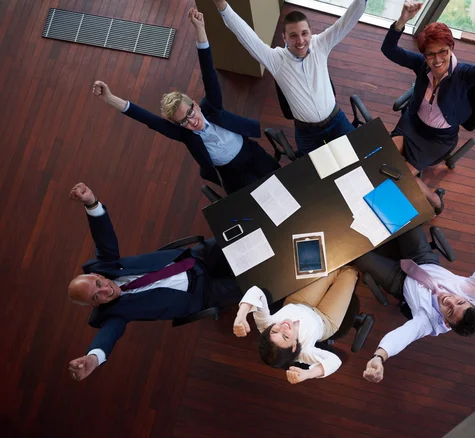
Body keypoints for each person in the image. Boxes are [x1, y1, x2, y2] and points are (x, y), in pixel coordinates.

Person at [66, 182, 242, 382]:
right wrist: (93, 358)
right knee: (253, 284)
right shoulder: (112, 315)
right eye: (97, 296)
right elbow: (107, 336)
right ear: (93, 304)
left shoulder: (107, 265)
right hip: (203, 293)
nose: (106, 289)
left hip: (196, 259)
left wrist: (91, 203)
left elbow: (103, 237)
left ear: (99, 276)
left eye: (99, 284)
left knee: (244, 237)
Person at [92, 9, 279, 194]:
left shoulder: (211, 106)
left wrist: (200, 29)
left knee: (283, 183)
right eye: (183, 121)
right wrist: (109, 98)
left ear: (195, 106)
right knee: (260, 203)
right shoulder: (185, 135)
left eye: (190, 113)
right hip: (233, 175)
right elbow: (149, 120)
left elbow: (208, 73)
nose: (191, 121)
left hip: (252, 153)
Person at [355, 225, 475, 383]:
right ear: (469, 301)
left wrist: (379, 357)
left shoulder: (427, 323)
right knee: (402, 216)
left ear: (446, 323)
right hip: (423, 259)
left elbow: (402, 336)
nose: (449, 300)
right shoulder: (471, 291)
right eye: (459, 302)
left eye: (449, 311)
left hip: (399, 281)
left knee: (357, 253)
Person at [381, 0, 475, 214]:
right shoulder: (421, 65)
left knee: (399, 175)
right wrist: (402, 20)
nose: (437, 60)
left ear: (451, 48)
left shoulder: (465, 75)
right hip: (412, 124)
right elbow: (389, 49)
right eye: (430, 54)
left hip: (437, 138)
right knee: (384, 163)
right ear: (424, 55)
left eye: (443, 52)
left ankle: (435, 201)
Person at [212, 0, 367, 155]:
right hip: (307, 133)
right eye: (293, 36)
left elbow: (347, 21)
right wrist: (222, 6)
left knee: (362, 156)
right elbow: (246, 36)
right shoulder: (275, 59)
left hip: (336, 121)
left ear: (310, 33)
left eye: (304, 33)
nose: (300, 41)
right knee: (315, 175)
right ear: (284, 38)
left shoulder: (320, 44)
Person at [233, 266, 369, 384]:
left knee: (330, 266)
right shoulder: (304, 353)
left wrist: (241, 315)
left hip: (300, 302)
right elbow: (335, 361)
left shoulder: (265, 325)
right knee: (349, 273)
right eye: (285, 336)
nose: (282, 327)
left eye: (274, 331)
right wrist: (308, 374)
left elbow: (256, 292)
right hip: (325, 319)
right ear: (293, 346)